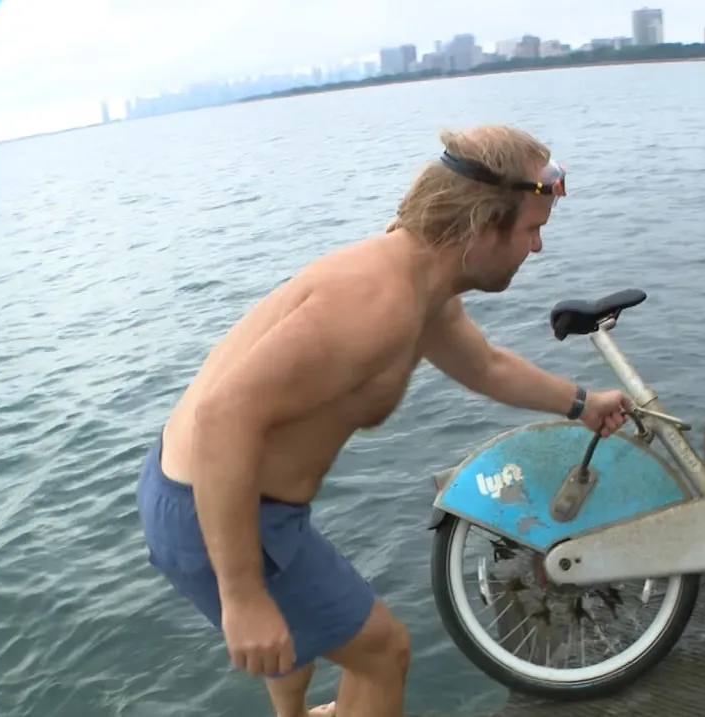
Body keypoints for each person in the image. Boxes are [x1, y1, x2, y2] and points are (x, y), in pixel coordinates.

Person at [136, 125, 633, 717]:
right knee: (384, 653)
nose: (536, 249)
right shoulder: (377, 303)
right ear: (480, 227)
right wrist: (242, 595)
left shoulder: (424, 287)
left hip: (233, 498)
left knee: (297, 643)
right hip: (214, 504)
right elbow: (222, 419)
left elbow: (486, 365)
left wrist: (582, 404)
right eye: (531, 230)